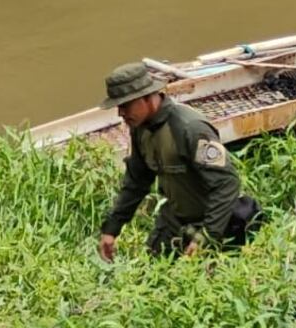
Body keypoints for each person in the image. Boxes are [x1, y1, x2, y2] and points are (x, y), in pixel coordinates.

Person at [97, 62, 262, 261]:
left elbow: (227, 184)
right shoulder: (140, 129)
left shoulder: (189, 129)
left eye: (125, 105)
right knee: (150, 273)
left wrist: (206, 237)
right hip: (175, 219)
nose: (120, 113)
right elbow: (136, 182)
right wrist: (112, 229)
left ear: (148, 98)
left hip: (214, 220)